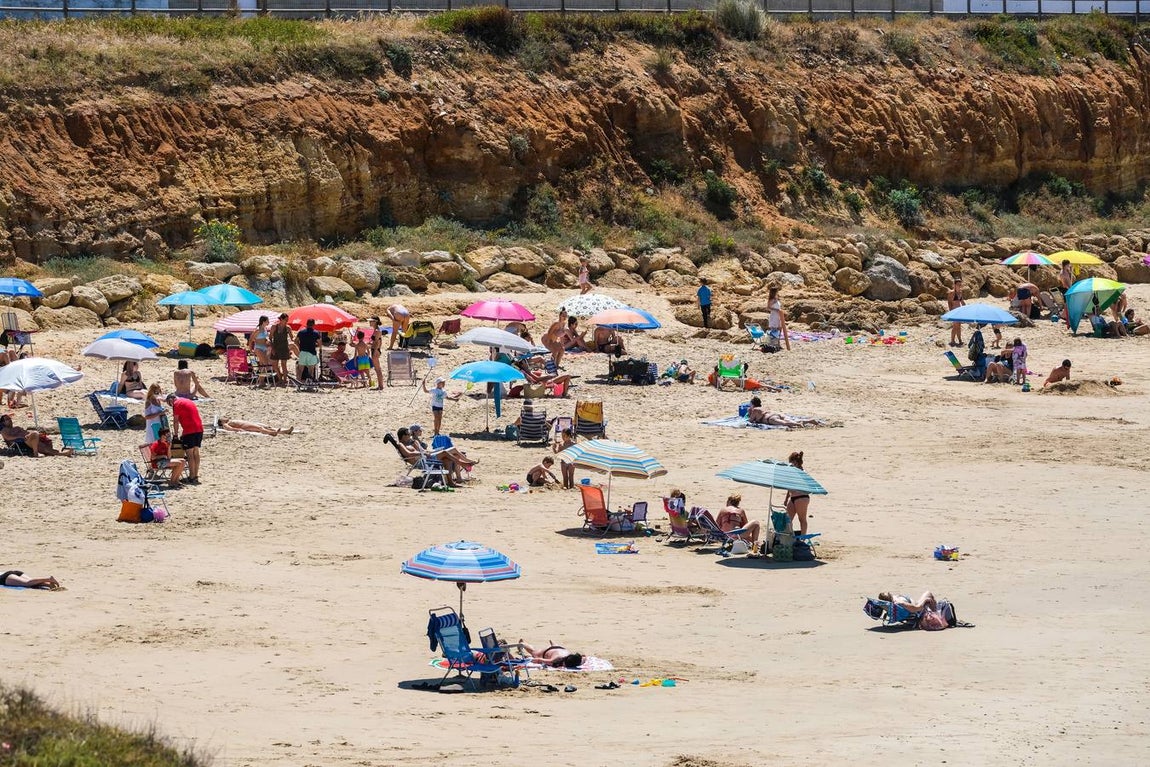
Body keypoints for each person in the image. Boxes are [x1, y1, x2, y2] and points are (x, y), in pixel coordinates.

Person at [166, 394, 202, 485]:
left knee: (189, 454)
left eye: (170, 404)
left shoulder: (177, 404)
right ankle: (195, 475)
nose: (171, 406)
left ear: (171, 399)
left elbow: (176, 421)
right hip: (199, 429)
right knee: (196, 452)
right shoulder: (187, 401)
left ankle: (191, 476)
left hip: (189, 430)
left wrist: (175, 434)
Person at [0, 414, 71, 456]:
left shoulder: (16, 427)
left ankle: (58, 453)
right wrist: (20, 437)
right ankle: (36, 453)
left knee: (44, 443)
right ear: (3, 423)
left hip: (27, 439)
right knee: (35, 434)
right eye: (7, 419)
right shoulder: (5, 430)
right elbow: (8, 438)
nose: (10, 420)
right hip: (19, 442)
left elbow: (26, 432)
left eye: (10, 418)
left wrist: (30, 434)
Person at [784, 451, 811, 535]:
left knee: (802, 519)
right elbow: (790, 487)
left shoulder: (802, 472)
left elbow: (808, 485)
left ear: (795, 462)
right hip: (793, 497)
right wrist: (786, 499)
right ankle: (790, 537)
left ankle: (803, 538)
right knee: (787, 520)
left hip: (802, 496)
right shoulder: (791, 473)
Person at [516, 640, 584, 669]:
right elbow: (539, 660)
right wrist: (530, 660)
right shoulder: (555, 659)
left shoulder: (576, 660)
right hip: (548, 651)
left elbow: (584, 658)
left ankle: (553, 644)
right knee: (533, 652)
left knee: (533, 654)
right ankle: (523, 643)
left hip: (560, 649)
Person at [270, 313, 293, 384]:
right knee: (274, 365)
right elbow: (270, 337)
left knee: (284, 364)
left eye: (287, 320)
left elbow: (292, 338)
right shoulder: (274, 327)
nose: (287, 321)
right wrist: (272, 348)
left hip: (284, 347)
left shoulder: (288, 328)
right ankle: (280, 377)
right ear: (281, 319)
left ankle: (285, 380)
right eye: (285, 320)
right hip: (275, 347)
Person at [767, 286, 791, 351]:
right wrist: (776, 310)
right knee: (774, 330)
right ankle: (773, 344)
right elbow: (768, 307)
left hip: (779, 316)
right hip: (774, 316)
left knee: (780, 329)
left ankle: (778, 344)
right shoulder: (771, 299)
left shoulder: (776, 298)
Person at [217, 417, 294, 436]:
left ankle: (285, 431)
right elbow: (230, 429)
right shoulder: (225, 424)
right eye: (223, 418)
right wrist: (239, 430)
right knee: (260, 429)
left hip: (247, 424)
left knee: (267, 427)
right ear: (221, 421)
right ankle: (272, 433)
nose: (225, 417)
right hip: (244, 426)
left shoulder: (229, 421)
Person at [369, 317, 385, 391]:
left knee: (378, 369)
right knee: (377, 369)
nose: (370, 322)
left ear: (375, 322)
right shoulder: (376, 330)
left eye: (371, 321)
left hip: (375, 350)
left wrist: (375, 350)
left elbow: (378, 342)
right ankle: (380, 385)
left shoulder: (378, 331)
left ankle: (381, 385)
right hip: (374, 350)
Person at [947, 277, 965, 347]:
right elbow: (949, 302)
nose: (959, 286)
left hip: (959, 311)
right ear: (954, 285)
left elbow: (962, 301)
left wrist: (966, 308)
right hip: (954, 311)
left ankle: (960, 340)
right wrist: (951, 312)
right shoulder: (951, 293)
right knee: (955, 326)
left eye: (960, 284)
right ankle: (952, 340)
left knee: (959, 326)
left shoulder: (960, 292)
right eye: (958, 284)